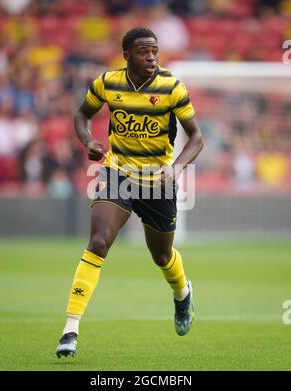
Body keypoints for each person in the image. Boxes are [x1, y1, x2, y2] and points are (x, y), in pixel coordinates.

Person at [56, 27, 204, 358]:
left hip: (158, 181)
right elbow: (82, 114)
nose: (151, 57)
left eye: (154, 51)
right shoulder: (108, 83)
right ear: (127, 56)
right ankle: (70, 329)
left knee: (161, 256)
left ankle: (182, 294)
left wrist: (176, 168)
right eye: (143, 52)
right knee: (97, 243)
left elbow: (196, 137)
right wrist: (88, 141)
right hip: (117, 173)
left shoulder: (172, 86)